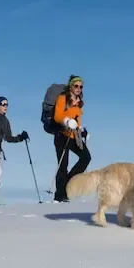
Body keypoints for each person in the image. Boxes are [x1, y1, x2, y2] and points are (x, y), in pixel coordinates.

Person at [52, 74, 91, 202]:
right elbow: (57, 116)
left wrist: (81, 129)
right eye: (76, 86)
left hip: (74, 135)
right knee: (63, 165)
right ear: (71, 86)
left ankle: (68, 184)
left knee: (86, 157)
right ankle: (60, 195)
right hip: (62, 134)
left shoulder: (79, 102)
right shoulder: (63, 98)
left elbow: (77, 120)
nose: (79, 88)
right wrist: (67, 121)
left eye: (81, 86)